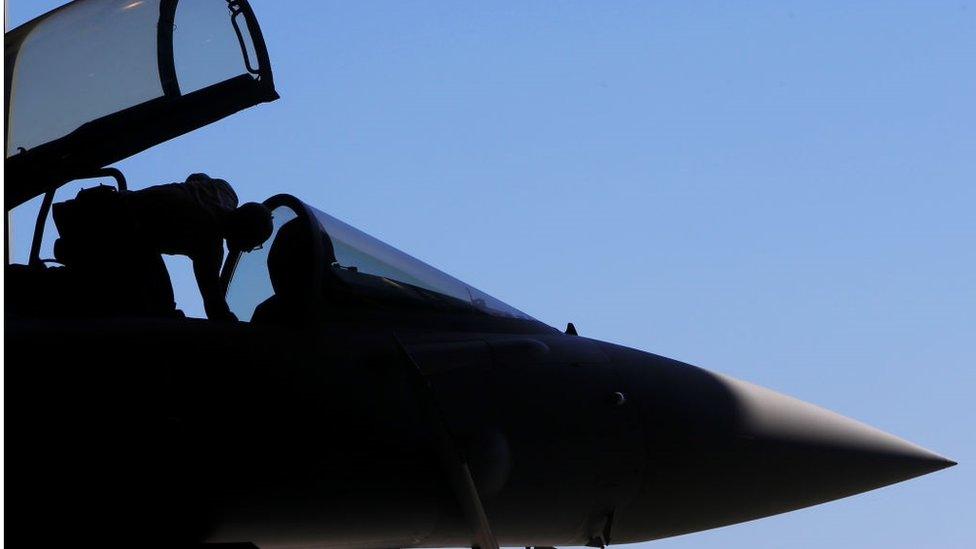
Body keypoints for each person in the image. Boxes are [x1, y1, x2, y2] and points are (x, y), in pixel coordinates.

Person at [54, 173, 273, 320]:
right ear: (244, 235)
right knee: (162, 313)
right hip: (108, 234)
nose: (246, 250)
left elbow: (196, 177)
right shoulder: (209, 245)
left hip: (94, 205)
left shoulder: (225, 191)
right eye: (251, 244)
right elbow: (215, 307)